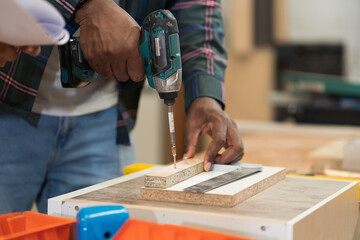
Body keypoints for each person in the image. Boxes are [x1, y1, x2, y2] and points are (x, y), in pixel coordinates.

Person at [0, 0, 244, 214]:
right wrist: (89, 6)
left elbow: (197, 7)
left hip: (104, 121)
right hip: (8, 105)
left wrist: (206, 95)